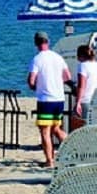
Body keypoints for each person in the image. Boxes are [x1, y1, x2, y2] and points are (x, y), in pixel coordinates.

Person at [28, 32, 71, 165]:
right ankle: (72, 148)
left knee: (45, 131)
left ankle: (49, 160)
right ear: (48, 41)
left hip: (45, 99)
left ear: (36, 43)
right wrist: (57, 83)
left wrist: (36, 87)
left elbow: (31, 80)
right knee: (56, 129)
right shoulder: (58, 58)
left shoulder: (37, 59)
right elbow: (67, 76)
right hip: (59, 98)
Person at [73, 42, 97, 120]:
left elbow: (82, 86)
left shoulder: (83, 66)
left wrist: (78, 102)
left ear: (81, 56)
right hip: (96, 101)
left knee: (78, 126)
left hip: (85, 100)